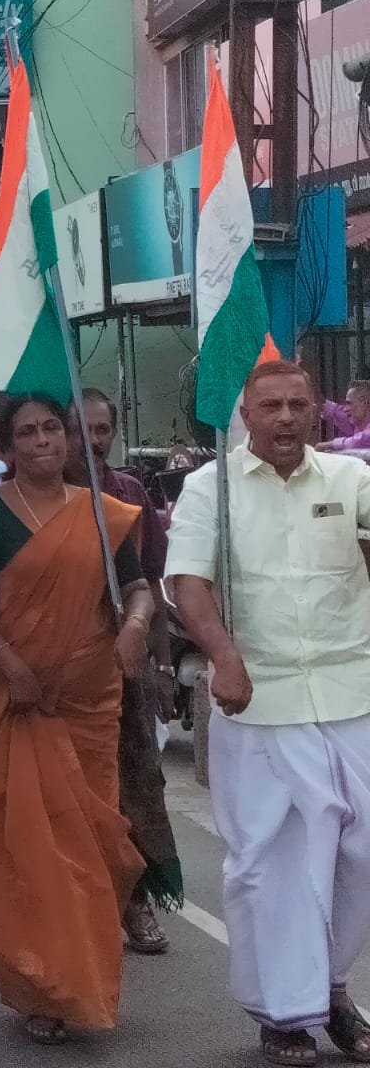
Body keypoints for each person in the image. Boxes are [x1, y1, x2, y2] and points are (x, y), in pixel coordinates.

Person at [167, 359, 370, 1067]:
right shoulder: (208, 488)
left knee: (358, 854)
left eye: (298, 405)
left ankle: (333, 988)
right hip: (258, 701)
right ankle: (286, 1014)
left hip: (352, 694)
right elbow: (188, 582)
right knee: (272, 865)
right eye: (271, 407)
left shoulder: (351, 481)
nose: (286, 418)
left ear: (316, 411)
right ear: (246, 416)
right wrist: (224, 657)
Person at [0, 393, 153, 1046]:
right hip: (18, 702)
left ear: (68, 438)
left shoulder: (103, 515)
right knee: (30, 855)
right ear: (4, 445)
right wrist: (9, 664)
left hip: (88, 699)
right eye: (25, 432)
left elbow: (137, 586)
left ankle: (83, 980)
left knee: (94, 850)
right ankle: (40, 987)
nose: (41, 441)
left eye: (51, 428)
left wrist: (137, 626)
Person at [75, 388, 183, 954]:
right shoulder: (31, 501)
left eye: (103, 429)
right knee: (72, 796)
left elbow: (152, 584)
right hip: (60, 676)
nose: (94, 441)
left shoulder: (131, 494)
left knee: (137, 789)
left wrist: (163, 665)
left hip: (127, 670)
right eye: (83, 429)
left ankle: (136, 903)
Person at [318, 379, 370, 452]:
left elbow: (361, 440)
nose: (345, 409)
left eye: (349, 403)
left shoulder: (364, 436)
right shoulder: (355, 421)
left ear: (363, 402)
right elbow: (333, 411)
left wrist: (326, 445)